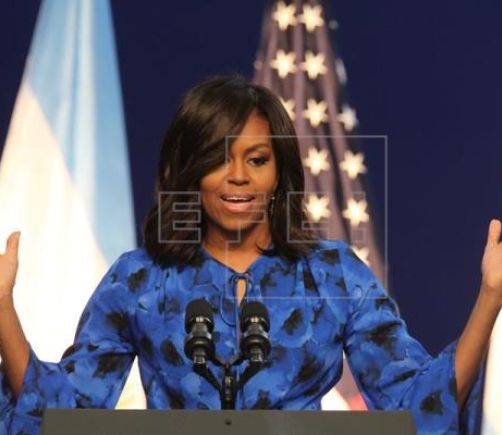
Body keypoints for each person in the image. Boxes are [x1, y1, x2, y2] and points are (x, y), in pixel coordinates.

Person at [0, 75, 501, 435]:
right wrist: (2, 308)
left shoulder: (333, 274)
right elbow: (63, 414)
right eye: (217, 159)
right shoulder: (141, 278)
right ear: (189, 172)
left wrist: (489, 297)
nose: (238, 176)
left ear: (279, 172)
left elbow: (417, 408)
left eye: (257, 160)